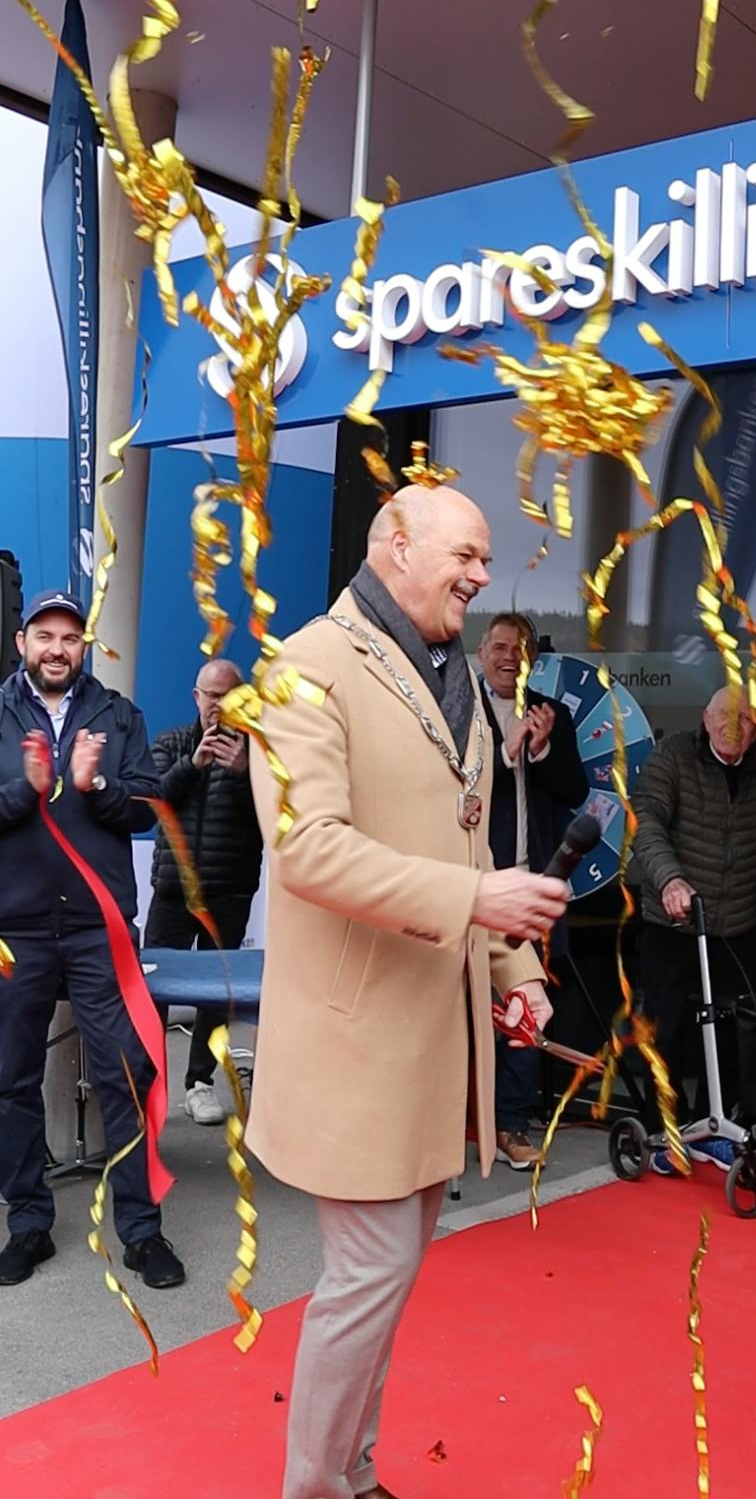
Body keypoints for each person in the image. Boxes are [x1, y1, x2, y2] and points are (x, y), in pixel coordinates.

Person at [247, 486, 567, 1499]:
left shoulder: (454, 672)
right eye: (465, 554)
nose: (482, 575)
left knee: (384, 1283)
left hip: (434, 1043)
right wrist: (474, 900)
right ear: (394, 543)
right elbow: (307, 849)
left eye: (485, 558)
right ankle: (317, 1487)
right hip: (357, 1046)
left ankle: (354, 1472)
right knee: (369, 1279)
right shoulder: (301, 667)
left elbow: (469, 840)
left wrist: (515, 972)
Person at [0, 590, 185, 1288]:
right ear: (22, 643)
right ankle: (28, 1223)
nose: (57, 649)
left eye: (70, 638)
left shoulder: (118, 715)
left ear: (85, 647)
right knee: (11, 1078)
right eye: (44, 636)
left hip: (97, 931)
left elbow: (147, 807)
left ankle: (141, 1231)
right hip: (14, 930)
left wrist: (95, 783)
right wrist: (25, 791)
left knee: (126, 1075)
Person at [631, 684, 756, 1176]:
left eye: (745, 719)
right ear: (705, 718)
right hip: (675, 922)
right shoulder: (673, 757)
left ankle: (717, 1128)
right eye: (725, 716)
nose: (734, 726)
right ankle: (665, 1133)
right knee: (666, 1032)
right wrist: (670, 879)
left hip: (737, 923)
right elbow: (646, 821)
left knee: (735, 1034)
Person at [476, 612, 588, 1169]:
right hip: (473, 885)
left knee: (525, 1005)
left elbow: (575, 790)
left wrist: (541, 751)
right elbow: (450, 790)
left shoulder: (552, 714)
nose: (509, 658)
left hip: (532, 884)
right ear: (481, 654)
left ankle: (513, 1124)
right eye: (499, 647)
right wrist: (506, 751)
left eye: (519, 650)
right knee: (464, 1007)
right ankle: (459, 1119)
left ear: (533, 661)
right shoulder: (459, 711)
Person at [144, 658, 263, 1125]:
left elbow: (278, 817)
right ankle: (146, 1084)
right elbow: (152, 803)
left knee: (217, 994)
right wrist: (192, 765)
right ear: (197, 697)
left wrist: (246, 773)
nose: (218, 704)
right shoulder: (171, 742)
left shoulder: (261, 750)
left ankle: (199, 1083)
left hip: (229, 889)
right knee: (153, 990)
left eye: (227, 695)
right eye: (210, 695)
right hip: (173, 889)